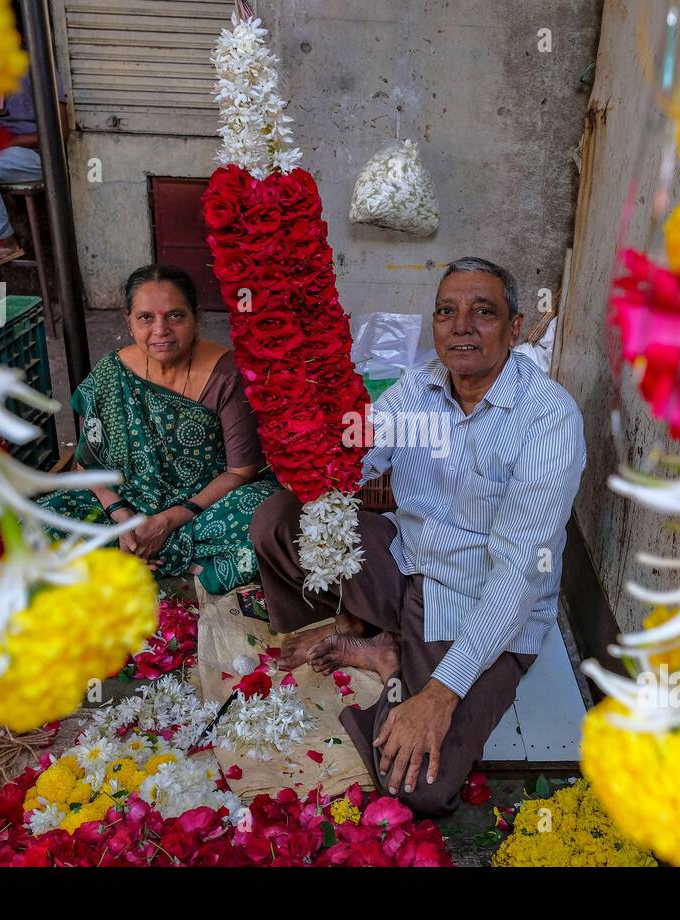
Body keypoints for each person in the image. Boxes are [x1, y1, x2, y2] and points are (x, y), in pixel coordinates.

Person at [251, 256, 586, 815]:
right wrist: (304, 421)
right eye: (446, 312)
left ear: (513, 325)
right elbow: (357, 457)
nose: (462, 327)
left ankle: (386, 656)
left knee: (416, 786)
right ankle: (377, 633)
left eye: (483, 312)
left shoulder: (547, 419)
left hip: (480, 602)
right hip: (405, 562)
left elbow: (521, 573)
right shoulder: (419, 388)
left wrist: (440, 692)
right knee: (280, 518)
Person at [39, 264, 279, 594]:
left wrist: (166, 522)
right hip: (127, 505)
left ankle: (133, 565)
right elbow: (88, 464)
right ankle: (173, 564)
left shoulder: (225, 374)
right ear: (129, 319)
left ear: (196, 316)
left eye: (175, 316)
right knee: (40, 520)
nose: (161, 329)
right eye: (146, 317)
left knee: (268, 513)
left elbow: (241, 470)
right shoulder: (112, 373)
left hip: (202, 508)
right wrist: (126, 521)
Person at [0, 8, 68, 267]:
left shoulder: (40, 72)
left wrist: (10, 141)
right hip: (7, 154)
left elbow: (61, 131)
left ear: (21, 40)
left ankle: (5, 241)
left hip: (39, 156)